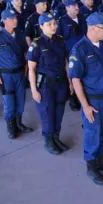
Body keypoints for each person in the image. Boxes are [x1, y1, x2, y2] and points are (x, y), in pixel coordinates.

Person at [68, 12, 103, 185]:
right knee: (93, 133)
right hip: (93, 100)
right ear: (92, 28)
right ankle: (92, 165)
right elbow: (75, 79)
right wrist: (85, 105)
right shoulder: (80, 49)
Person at [27, 12, 71, 154]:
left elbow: (65, 62)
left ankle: (56, 137)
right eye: (49, 24)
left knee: (59, 111)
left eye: (54, 23)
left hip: (61, 83)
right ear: (41, 26)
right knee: (47, 113)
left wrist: (70, 81)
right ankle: (48, 141)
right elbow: (31, 68)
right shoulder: (37, 44)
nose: (53, 27)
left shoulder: (60, 40)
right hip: (45, 86)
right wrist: (34, 90)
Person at [0, 9, 33, 140]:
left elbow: (25, 53)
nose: (15, 20)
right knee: (9, 102)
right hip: (6, 76)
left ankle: (19, 123)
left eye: (16, 18)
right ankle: (11, 127)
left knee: (20, 99)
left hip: (19, 73)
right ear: (4, 20)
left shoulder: (20, 35)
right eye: (12, 18)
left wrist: (26, 68)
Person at [58, 0, 86, 112]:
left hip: (83, 52)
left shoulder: (82, 18)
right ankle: (73, 98)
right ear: (67, 8)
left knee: (83, 74)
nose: (76, 7)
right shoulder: (62, 21)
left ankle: (82, 97)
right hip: (70, 54)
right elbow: (59, 39)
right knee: (73, 76)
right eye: (73, 6)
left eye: (77, 5)